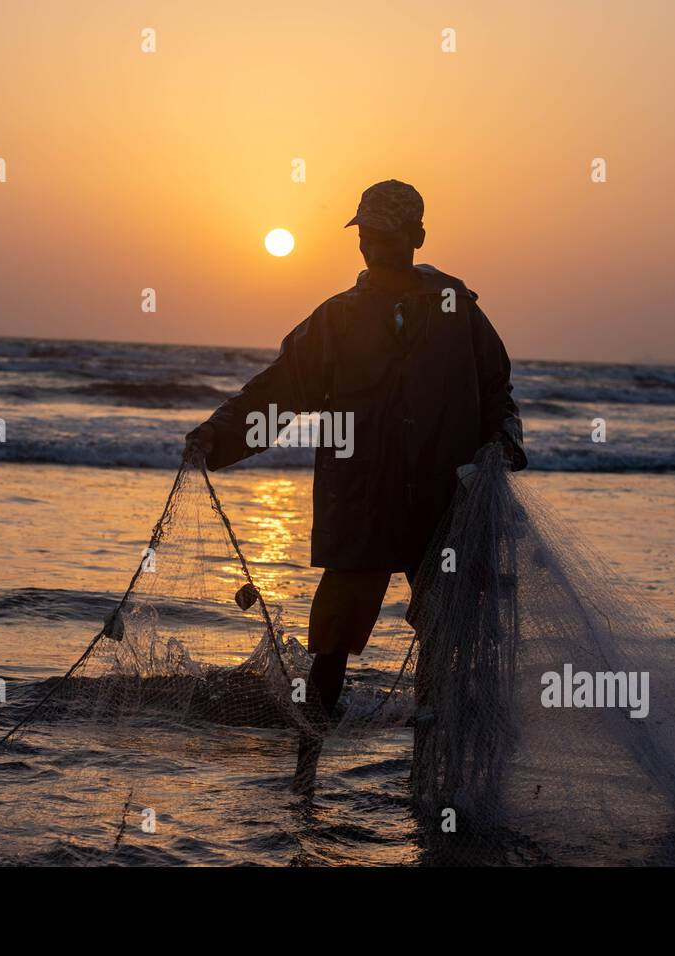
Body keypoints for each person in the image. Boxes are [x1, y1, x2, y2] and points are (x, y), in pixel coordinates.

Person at [183, 179, 526, 790]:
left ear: (416, 238)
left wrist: (503, 443)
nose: (371, 244)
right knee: (332, 644)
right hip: (360, 499)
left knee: (444, 639)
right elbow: (280, 390)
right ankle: (304, 781)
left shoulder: (456, 309)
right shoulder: (338, 319)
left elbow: (497, 389)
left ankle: (435, 784)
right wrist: (218, 432)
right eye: (364, 233)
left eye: (385, 234)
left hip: (446, 503)